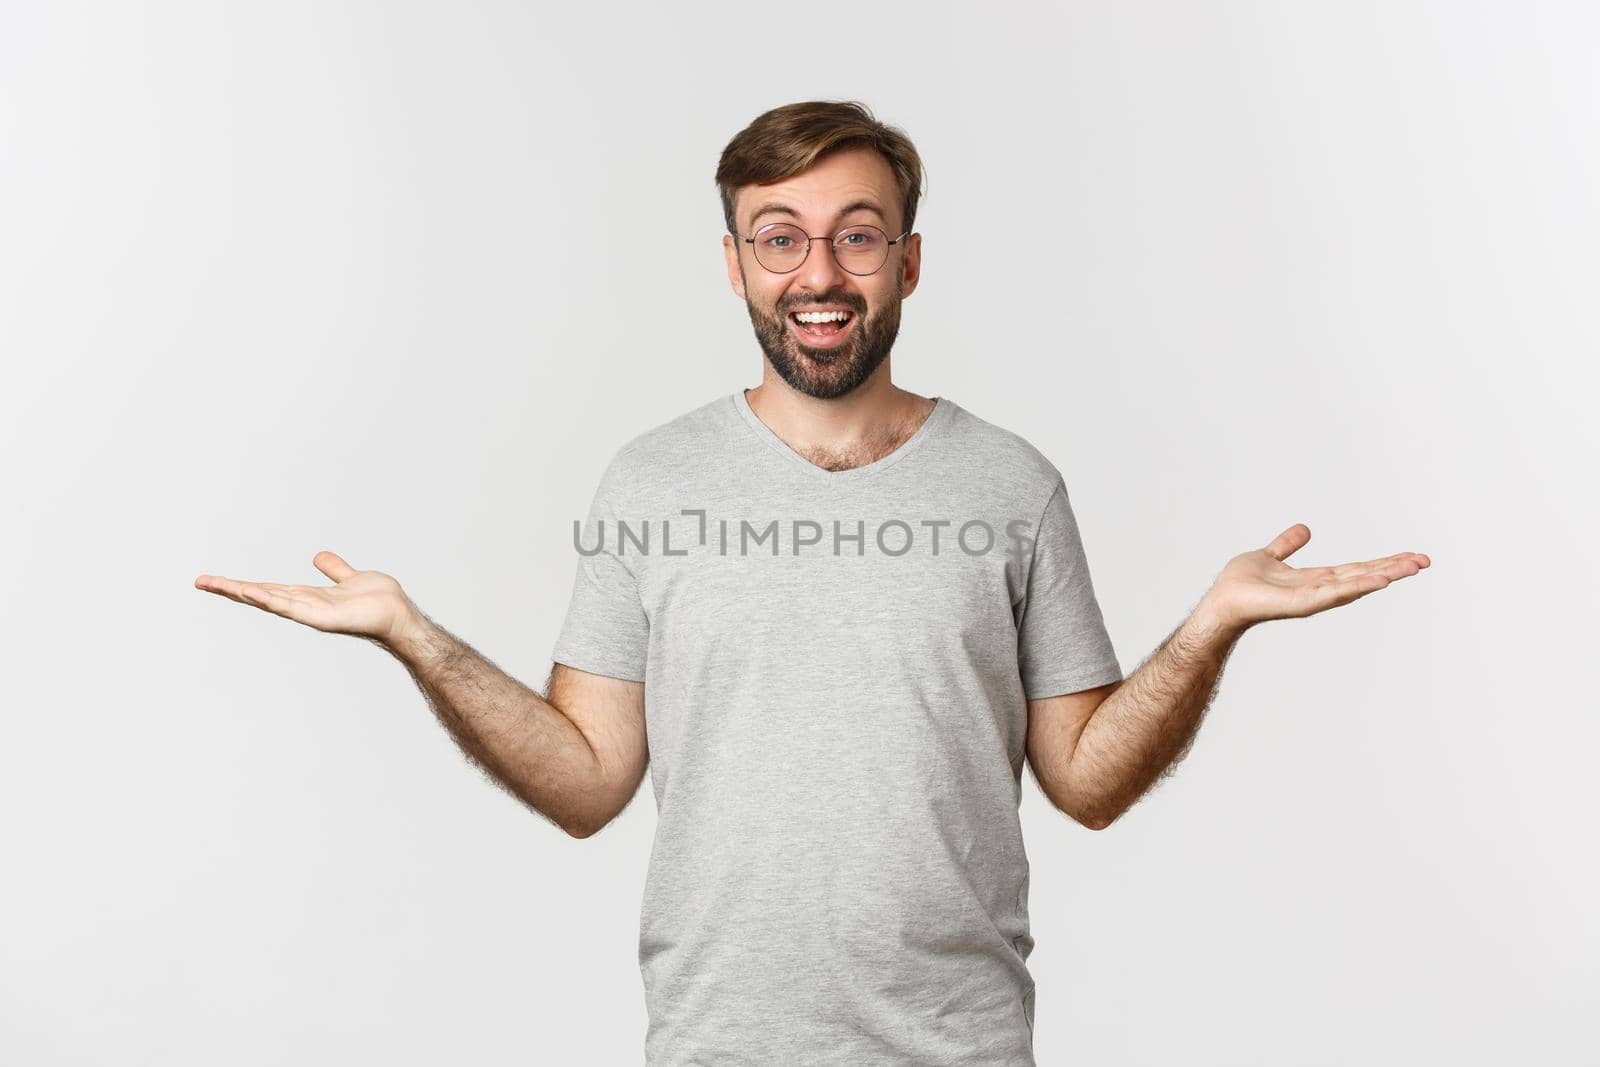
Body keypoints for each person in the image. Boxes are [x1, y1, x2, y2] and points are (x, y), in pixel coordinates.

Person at [194, 100, 1430, 1065]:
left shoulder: (1011, 485)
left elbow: (1085, 782)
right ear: (734, 265)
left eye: (856, 234)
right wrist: (416, 637)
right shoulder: (649, 481)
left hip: (961, 1047)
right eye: (778, 238)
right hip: (717, 1044)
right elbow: (586, 782)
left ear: (908, 258)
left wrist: (1211, 624)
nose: (820, 273)